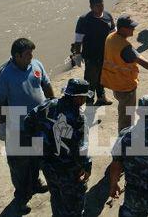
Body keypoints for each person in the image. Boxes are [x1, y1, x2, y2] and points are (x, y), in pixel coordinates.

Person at [0, 38, 54, 214]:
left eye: (32, 53)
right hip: (18, 128)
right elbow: (0, 103)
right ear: (17, 56)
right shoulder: (4, 74)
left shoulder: (36, 65)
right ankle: (21, 197)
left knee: (37, 157)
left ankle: (35, 183)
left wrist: (54, 106)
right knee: (20, 165)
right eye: (27, 54)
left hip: (39, 124)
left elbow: (46, 86)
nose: (31, 56)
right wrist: (3, 126)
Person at [23, 79, 93, 217]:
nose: (85, 99)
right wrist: (87, 167)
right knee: (74, 204)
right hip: (68, 170)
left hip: (47, 165)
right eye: (84, 96)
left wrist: (39, 148)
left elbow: (27, 122)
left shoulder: (47, 105)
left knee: (56, 196)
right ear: (78, 98)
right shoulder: (78, 119)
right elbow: (81, 150)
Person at [100, 15, 148, 131]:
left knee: (123, 109)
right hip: (125, 87)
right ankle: (124, 139)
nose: (133, 29)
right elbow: (147, 64)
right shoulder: (125, 48)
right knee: (126, 117)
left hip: (114, 82)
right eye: (130, 27)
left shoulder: (110, 37)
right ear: (122, 29)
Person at [71, 0, 115, 106]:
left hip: (105, 55)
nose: (100, 8)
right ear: (91, 7)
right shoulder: (84, 20)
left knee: (102, 78)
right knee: (90, 81)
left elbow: (113, 34)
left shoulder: (108, 16)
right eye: (97, 6)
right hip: (91, 56)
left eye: (101, 5)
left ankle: (101, 97)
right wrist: (77, 55)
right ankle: (89, 102)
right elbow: (78, 40)